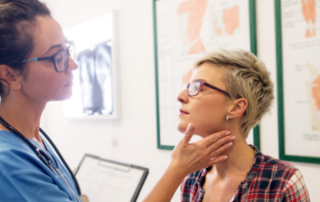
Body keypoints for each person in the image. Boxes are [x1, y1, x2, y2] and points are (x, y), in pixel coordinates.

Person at [0, 0, 235, 201]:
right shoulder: (7, 162)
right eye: (57, 57)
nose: (73, 64)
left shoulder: (33, 136)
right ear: (9, 75)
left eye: (68, 49)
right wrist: (177, 170)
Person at [178, 49, 310, 202]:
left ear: (236, 107)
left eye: (196, 87)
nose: (180, 96)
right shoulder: (191, 179)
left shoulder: (283, 182)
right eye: (187, 87)